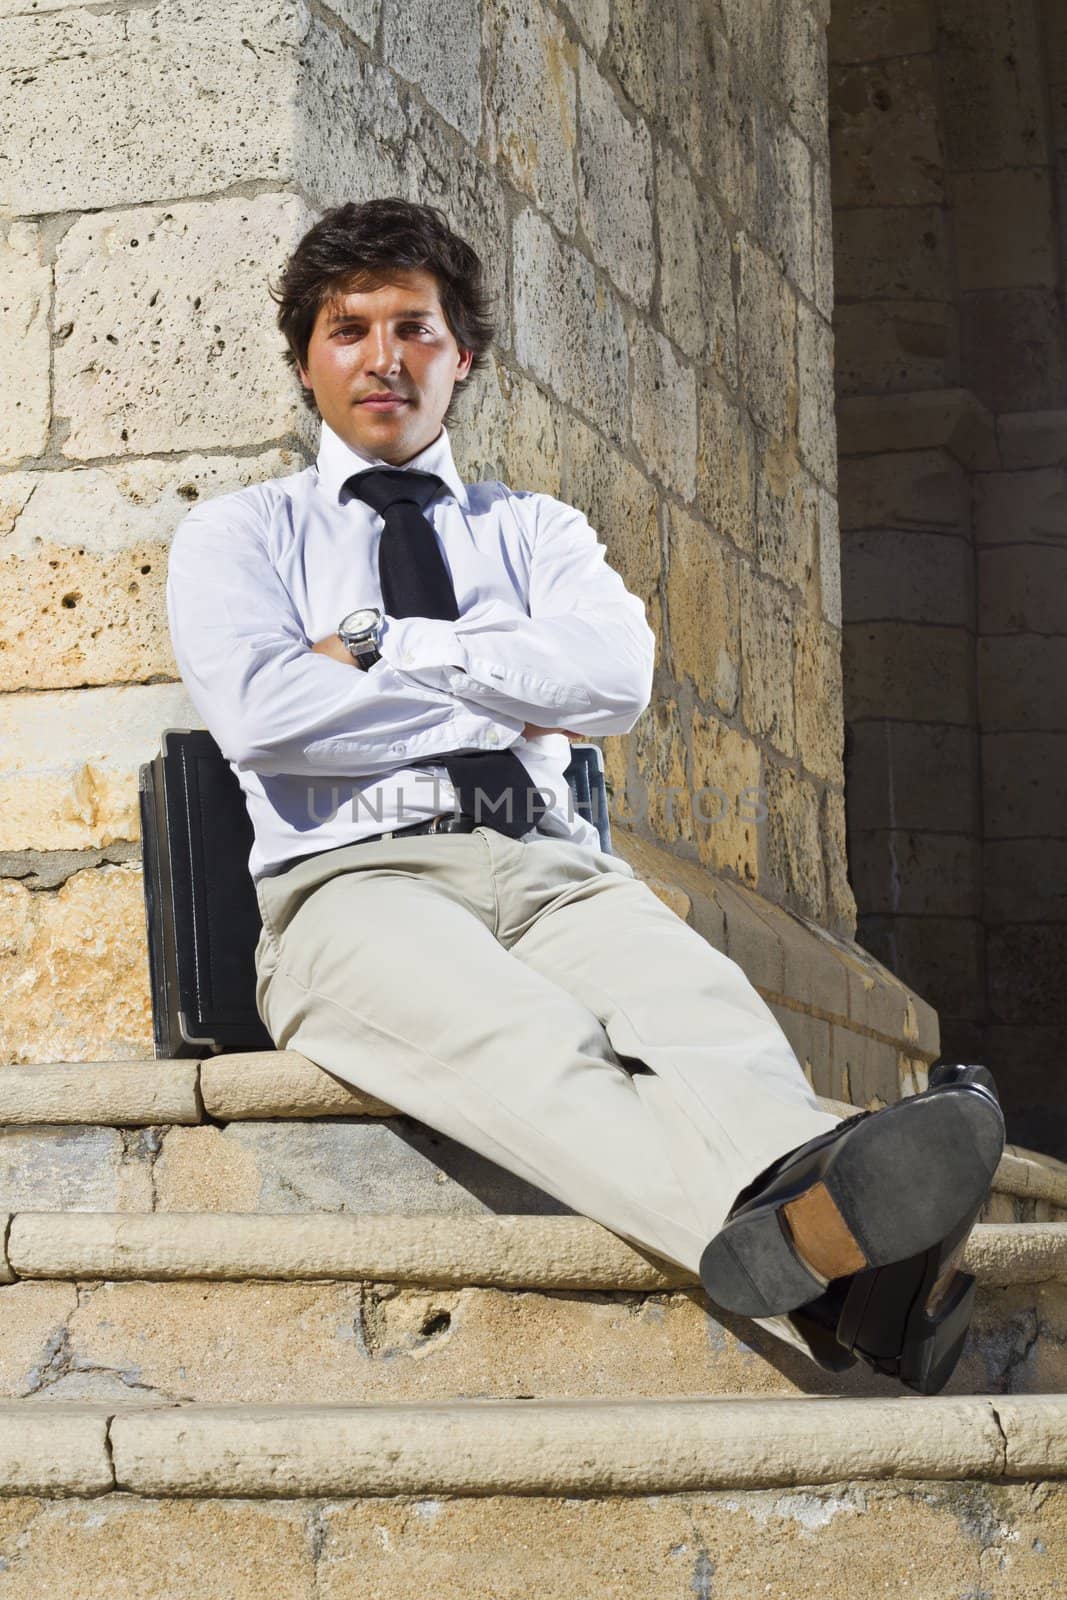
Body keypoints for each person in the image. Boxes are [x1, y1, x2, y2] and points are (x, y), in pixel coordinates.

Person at [165, 196, 1005, 1395]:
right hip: (350, 887)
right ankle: (851, 1273)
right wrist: (504, 682)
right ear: (306, 360)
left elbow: (612, 679)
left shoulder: (536, 530)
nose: (384, 358)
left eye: (416, 328)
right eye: (348, 330)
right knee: (532, 1042)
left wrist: (373, 648)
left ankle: (845, 1264)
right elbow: (262, 715)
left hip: (552, 865)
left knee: (701, 1010)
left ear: (465, 357)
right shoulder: (240, 536)